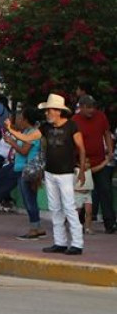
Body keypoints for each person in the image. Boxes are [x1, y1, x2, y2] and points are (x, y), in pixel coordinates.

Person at [37, 93, 88, 255]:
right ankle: (60, 242)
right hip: (50, 172)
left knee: (69, 207)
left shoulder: (71, 126)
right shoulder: (46, 127)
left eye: (49, 110)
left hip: (65, 173)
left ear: (58, 111)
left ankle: (77, 243)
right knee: (55, 208)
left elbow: (81, 148)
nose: (47, 113)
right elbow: (30, 137)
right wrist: (10, 131)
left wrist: (81, 170)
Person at [72, 96, 115, 234]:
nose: (91, 111)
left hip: (100, 160)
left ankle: (110, 223)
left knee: (105, 190)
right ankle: (79, 222)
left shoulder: (101, 117)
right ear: (82, 107)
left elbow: (106, 133)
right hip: (82, 163)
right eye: (88, 108)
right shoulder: (75, 120)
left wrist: (110, 151)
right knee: (81, 192)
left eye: (93, 107)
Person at [5, 108, 46, 240]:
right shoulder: (27, 132)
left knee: (29, 200)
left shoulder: (33, 133)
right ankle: (37, 226)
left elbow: (24, 151)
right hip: (22, 169)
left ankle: (34, 228)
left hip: (27, 170)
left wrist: (11, 142)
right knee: (30, 199)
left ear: (26, 119)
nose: (18, 121)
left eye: (19, 118)